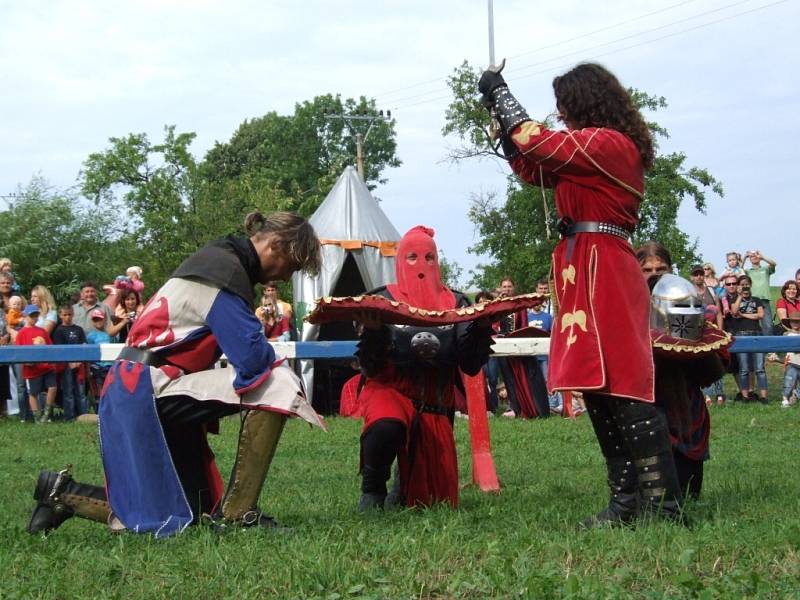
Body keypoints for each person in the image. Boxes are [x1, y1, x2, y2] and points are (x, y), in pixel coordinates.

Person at [27, 211, 324, 537]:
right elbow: (252, 359)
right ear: (277, 246)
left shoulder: (217, 260)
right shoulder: (223, 272)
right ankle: (241, 515)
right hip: (147, 388)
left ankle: (62, 494)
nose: (284, 278)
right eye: (292, 266)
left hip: (136, 386)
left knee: (189, 513)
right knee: (278, 381)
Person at [479, 62, 684, 525]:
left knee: (625, 383)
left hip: (606, 267)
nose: (560, 115)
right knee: (596, 384)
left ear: (585, 102)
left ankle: (663, 506)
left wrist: (502, 92)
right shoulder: (586, 153)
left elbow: (539, 141)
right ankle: (626, 502)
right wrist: (503, 125)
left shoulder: (610, 145)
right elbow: (535, 168)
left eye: (565, 107)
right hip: (579, 267)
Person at [354, 226, 493, 511]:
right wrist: (374, 332)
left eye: (429, 258)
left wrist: (480, 328)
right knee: (386, 423)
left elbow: (469, 363)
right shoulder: (381, 300)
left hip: (435, 400)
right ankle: (373, 489)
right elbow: (370, 366)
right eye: (413, 257)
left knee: (430, 502)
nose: (421, 266)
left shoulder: (457, 304)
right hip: (390, 389)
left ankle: (402, 486)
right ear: (400, 260)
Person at [637, 243, 727, 500]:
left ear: (671, 269)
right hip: (647, 399)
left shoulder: (686, 300)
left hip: (684, 400)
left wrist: (692, 347)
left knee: (689, 491)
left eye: (661, 268)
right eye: (647, 269)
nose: (654, 274)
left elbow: (711, 370)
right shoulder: (628, 305)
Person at [15, 305, 58, 423]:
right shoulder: (21, 333)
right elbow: (18, 352)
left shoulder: (42, 331)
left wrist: (52, 362)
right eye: (31, 315)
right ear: (25, 316)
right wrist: (26, 362)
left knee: (53, 387)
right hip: (32, 368)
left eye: (36, 315)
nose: (34, 317)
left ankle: (46, 413)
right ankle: (37, 417)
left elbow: (50, 347)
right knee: (33, 393)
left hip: (46, 366)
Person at [731, 274, 768, 404]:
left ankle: (764, 397)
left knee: (760, 368)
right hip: (741, 335)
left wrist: (743, 314)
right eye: (742, 284)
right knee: (744, 368)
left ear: (750, 285)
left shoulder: (757, 300)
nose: (745, 286)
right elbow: (734, 312)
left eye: (747, 284)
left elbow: (761, 315)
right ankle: (745, 396)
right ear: (739, 286)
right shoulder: (735, 299)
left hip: (756, 334)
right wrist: (740, 296)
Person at [51, 305, 88, 421]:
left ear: (73, 314)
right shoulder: (58, 331)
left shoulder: (79, 329)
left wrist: (79, 361)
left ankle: (83, 416)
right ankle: (69, 417)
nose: (67, 317)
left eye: (69, 314)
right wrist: (70, 362)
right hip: (66, 365)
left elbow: (84, 345)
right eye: (64, 315)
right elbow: (59, 349)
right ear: (60, 316)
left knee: (81, 392)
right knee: (68, 391)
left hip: (79, 364)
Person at [743, 250, 777, 335]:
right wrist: (744, 257)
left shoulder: (765, 269)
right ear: (749, 259)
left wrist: (762, 257)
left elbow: (773, 264)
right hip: (751, 300)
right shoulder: (748, 271)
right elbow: (739, 270)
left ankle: (768, 344)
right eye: (751, 256)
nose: (754, 257)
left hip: (764, 299)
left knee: (768, 325)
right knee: (751, 325)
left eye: (756, 255)